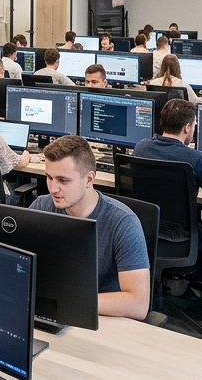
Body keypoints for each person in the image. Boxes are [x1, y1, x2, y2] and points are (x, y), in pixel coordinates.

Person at [30, 135, 150, 319]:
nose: (53, 188)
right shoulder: (41, 207)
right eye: (49, 177)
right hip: (52, 312)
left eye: (63, 180)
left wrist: (69, 301)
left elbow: (138, 304)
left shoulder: (123, 222)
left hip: (104, 317)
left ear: (89, 179)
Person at [133, 99, 202, 294]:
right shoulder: (195, 158)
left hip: (146, 232)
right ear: (187, 127)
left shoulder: (141, 147)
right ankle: (195, 286)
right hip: (181, 239)